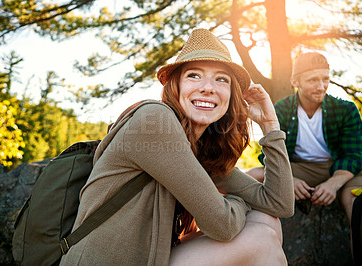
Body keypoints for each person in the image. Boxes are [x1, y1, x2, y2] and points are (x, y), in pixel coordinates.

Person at [60, 28, 294, 266]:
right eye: (194, 75)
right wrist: (240, 200)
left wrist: (270, 127)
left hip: (149, 256)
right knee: (260, 238)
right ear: (176, 86)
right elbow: (222, 225)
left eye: (221, 79)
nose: (208, 87)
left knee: (267, 221)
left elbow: (280, 204)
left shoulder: (201, 147)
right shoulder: (153, 121)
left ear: (232, 94)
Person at [246, 51, 362, 257]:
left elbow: (354, 155)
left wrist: (333, 185)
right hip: (299, 168)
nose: (321, 86)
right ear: (294, 81)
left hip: (340, 170)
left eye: (325, 79)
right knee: (251, 176)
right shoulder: (281, 109)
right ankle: (253, 248)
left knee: (355, 200)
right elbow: (267, 154)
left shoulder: (345, 109)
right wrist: (289, 179)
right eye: (313, 80)